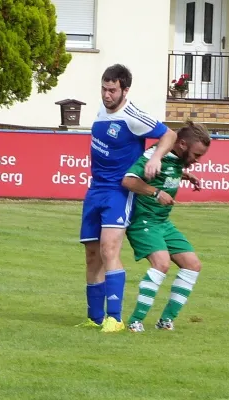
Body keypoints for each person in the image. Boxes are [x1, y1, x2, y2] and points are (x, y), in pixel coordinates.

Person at [79, 64, 177, 333]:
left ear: (125, 90)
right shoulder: (100, 111)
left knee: (109, 250)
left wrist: (155, 157)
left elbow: (169, 135)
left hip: (118, 192)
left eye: (112, 90)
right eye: (104, 88)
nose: (107, 95)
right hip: (95, 190)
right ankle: (95, 317)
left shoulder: (133, 115)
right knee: (91, 255)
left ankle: (115, 318)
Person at [121, 121, 211, 332]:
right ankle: (135, 321)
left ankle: (165, 321)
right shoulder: (154, 156)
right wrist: (156, 192)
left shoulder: (178, 159)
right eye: (196, 155)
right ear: (181, 144)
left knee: (193, 265)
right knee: (161, 264)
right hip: (143, 222)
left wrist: (187, 176)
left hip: (163, 223)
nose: (197, 160)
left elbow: (172, 170)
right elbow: (128, 181)